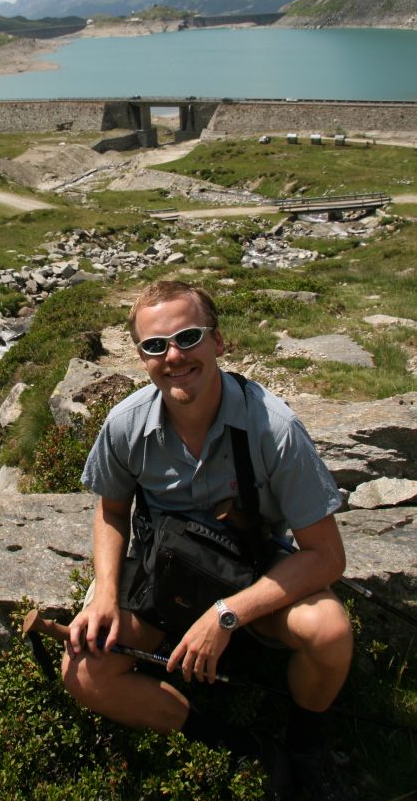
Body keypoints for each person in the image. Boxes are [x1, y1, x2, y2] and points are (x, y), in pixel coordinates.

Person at [62, 280, 354, 801]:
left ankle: (307, 749)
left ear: (218, 341)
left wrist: (226, 614)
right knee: (85, 673)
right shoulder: (125, 425)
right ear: (141, 357)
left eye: (188, 337)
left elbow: (326, 555)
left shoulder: (274, 429)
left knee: (328, 630)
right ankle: (237, 746)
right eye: (156, 345)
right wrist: (104, 594)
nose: (174, 356)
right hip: (161, 575)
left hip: (250, 572)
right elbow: (112, 511)